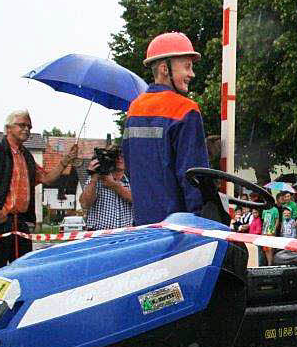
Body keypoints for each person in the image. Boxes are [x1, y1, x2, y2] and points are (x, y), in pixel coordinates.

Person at [0, 110, 78, 274]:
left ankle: (18, 300)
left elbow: (47, 179)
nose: (26, 129)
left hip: (19, 221)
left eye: (29, 126)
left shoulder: (26, 156)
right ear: (8, 128)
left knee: (22, 269)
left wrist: (66, 160)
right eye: (22, 125)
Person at [122, 32, 209, 225]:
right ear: (164, 69)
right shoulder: (186, 109)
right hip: (180, 227)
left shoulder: (134, 109)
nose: (192, 74)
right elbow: (195, 177)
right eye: (187, 66)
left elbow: (129, 168)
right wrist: (203, 220)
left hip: (144, 224)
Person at [78, 151, 133, 231]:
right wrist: (94, 177)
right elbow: (85, 204)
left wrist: (113, 184)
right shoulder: (96, 179)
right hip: (99, 234)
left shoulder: (131, 180)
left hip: (125, 235)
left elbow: (138, 200)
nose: (119, 159)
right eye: (116, 156)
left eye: (123, 156)